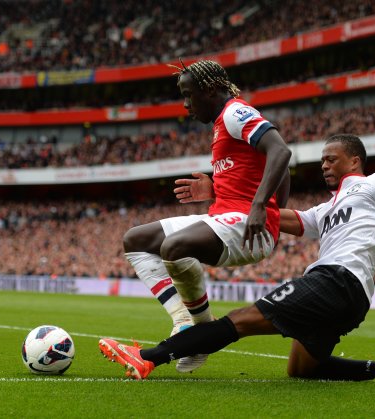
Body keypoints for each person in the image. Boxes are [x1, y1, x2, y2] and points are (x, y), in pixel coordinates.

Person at [100, 134, 375, 382]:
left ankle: (148, 356)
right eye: (322, 161)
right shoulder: (326, 208)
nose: (325, 165)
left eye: (332, 159)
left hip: (335, 280)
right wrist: (220, 193)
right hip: (350, 299)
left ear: (355, 160)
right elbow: (275, 215)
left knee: (240, 320)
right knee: (302, 370)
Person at [121, 59, 292, 373]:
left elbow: (280, 151)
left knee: (174, 247)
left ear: (211, 89)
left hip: (248, 225)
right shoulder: (220, 124)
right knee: (136, 240)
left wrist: (263, 210)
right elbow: (268, 165)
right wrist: (215, 189)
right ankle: (188, 323)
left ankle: (199, 334)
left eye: (189, 95)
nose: (185, 104)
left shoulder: (235, 113)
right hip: (228, 215)